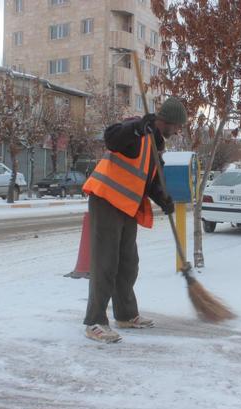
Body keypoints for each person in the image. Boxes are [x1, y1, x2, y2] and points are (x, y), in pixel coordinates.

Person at [81, 97, 187, 343]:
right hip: (106, 200)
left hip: (127, 206)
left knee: (128, 263)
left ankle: (126, 315)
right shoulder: (136, 131)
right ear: (168, 122)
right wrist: (139, 126)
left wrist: (163, 199)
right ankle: (94, 321)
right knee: (105, 263)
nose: (178, 130)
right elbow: (112, 138)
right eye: (178, 126)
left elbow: (150, 181)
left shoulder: (156, 144)